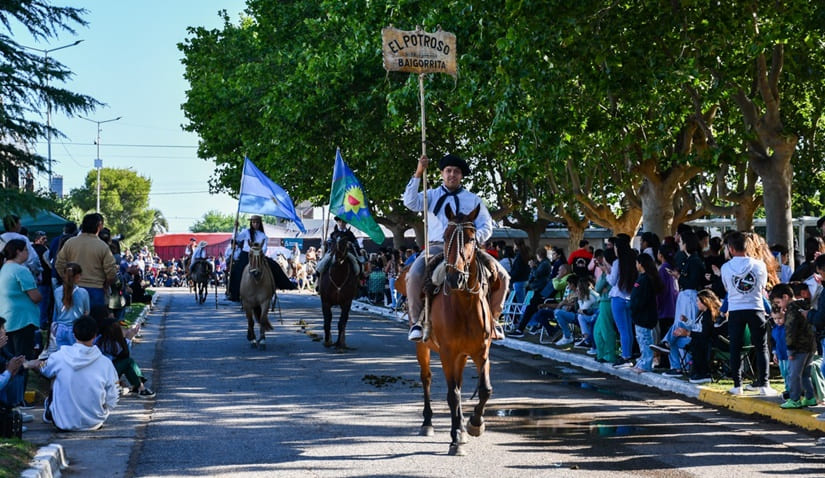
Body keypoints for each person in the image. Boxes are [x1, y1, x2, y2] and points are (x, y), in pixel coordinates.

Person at [402, 153, 510, 342]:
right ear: (442, 174)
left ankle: (493, 320)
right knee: (414, 275)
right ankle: (416, 323)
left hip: (468, 248)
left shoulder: (473, 199)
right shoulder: (431, 194)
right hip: (437, 247)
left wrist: (473, 241)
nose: (452, 174)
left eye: (456, 172)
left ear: (461, 176)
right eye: (448, 171)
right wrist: (419, 171)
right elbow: (410, 202)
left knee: (503, 276)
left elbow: (486, 226)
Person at [33, 315, 119, 431]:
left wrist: (31, 364)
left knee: (55, 376)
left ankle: (51, 409)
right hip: (95, 421)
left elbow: (45, 370)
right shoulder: (105, 362)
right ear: (95, 335)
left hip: (62, 421)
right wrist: (106, 409)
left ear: (74, 334)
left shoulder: (59, 357)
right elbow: (113, 394)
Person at [722, 231, 774, 396]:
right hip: (756, 307)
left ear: (730, 248)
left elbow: (727, 288)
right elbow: (763, 286)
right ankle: (764, 384)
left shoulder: (725, 267)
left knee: (735, 348)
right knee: (761, 347)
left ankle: (737, 385)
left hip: (736, 309)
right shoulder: (760, 265)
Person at [0, 239, 43, 407]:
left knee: (8, 362)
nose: (27, 253)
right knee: (22, 361)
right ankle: (19, 399)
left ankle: (9, 399)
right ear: (18, 251)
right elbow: (35, 296)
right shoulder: (21, 271)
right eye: (25, 250)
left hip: (7, 320)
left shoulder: (4, 269)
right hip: (22, 320)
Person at [55, 213, 118, 309]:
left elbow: (59, 264)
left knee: (75, 321)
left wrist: (67, 278)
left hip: (73, 287)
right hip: (96, 288)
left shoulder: (70, 242)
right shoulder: (102, 246)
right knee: (94, 321)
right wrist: (107, 283)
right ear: (99, 226)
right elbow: (111, 271)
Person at [227, 215, 294, 302]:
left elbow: (265, 247)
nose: (255, 224)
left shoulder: (263, 235)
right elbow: (236, 238)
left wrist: (260, 253)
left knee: (274, 265)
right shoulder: (246, 232)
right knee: (235, 270)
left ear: (260, 223)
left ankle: (277, 285)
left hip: (259, 254)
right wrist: (235, 228)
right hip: (246, 254)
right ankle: (234, 294)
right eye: (254, 222)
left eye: (257, 222)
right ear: (251, 223)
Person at [44, 262, 90, 357]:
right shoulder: (83, 292)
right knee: (75, 356)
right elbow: (87, 312)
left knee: (62, 356)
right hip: (76, 329)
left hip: (60, 328)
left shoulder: (57, 291)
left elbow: (56, 311)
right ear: (78, 276)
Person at [629, 253, 663, 373]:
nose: (636, 265)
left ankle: (646, 365)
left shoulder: (646, 279)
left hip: (644, 316)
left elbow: (642, 299)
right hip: (640, 316)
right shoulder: (643, 277)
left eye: (637, 262)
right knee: (641, 340)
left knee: (645, 340)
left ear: (641, 264)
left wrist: (635, 307)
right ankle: (642, 361)